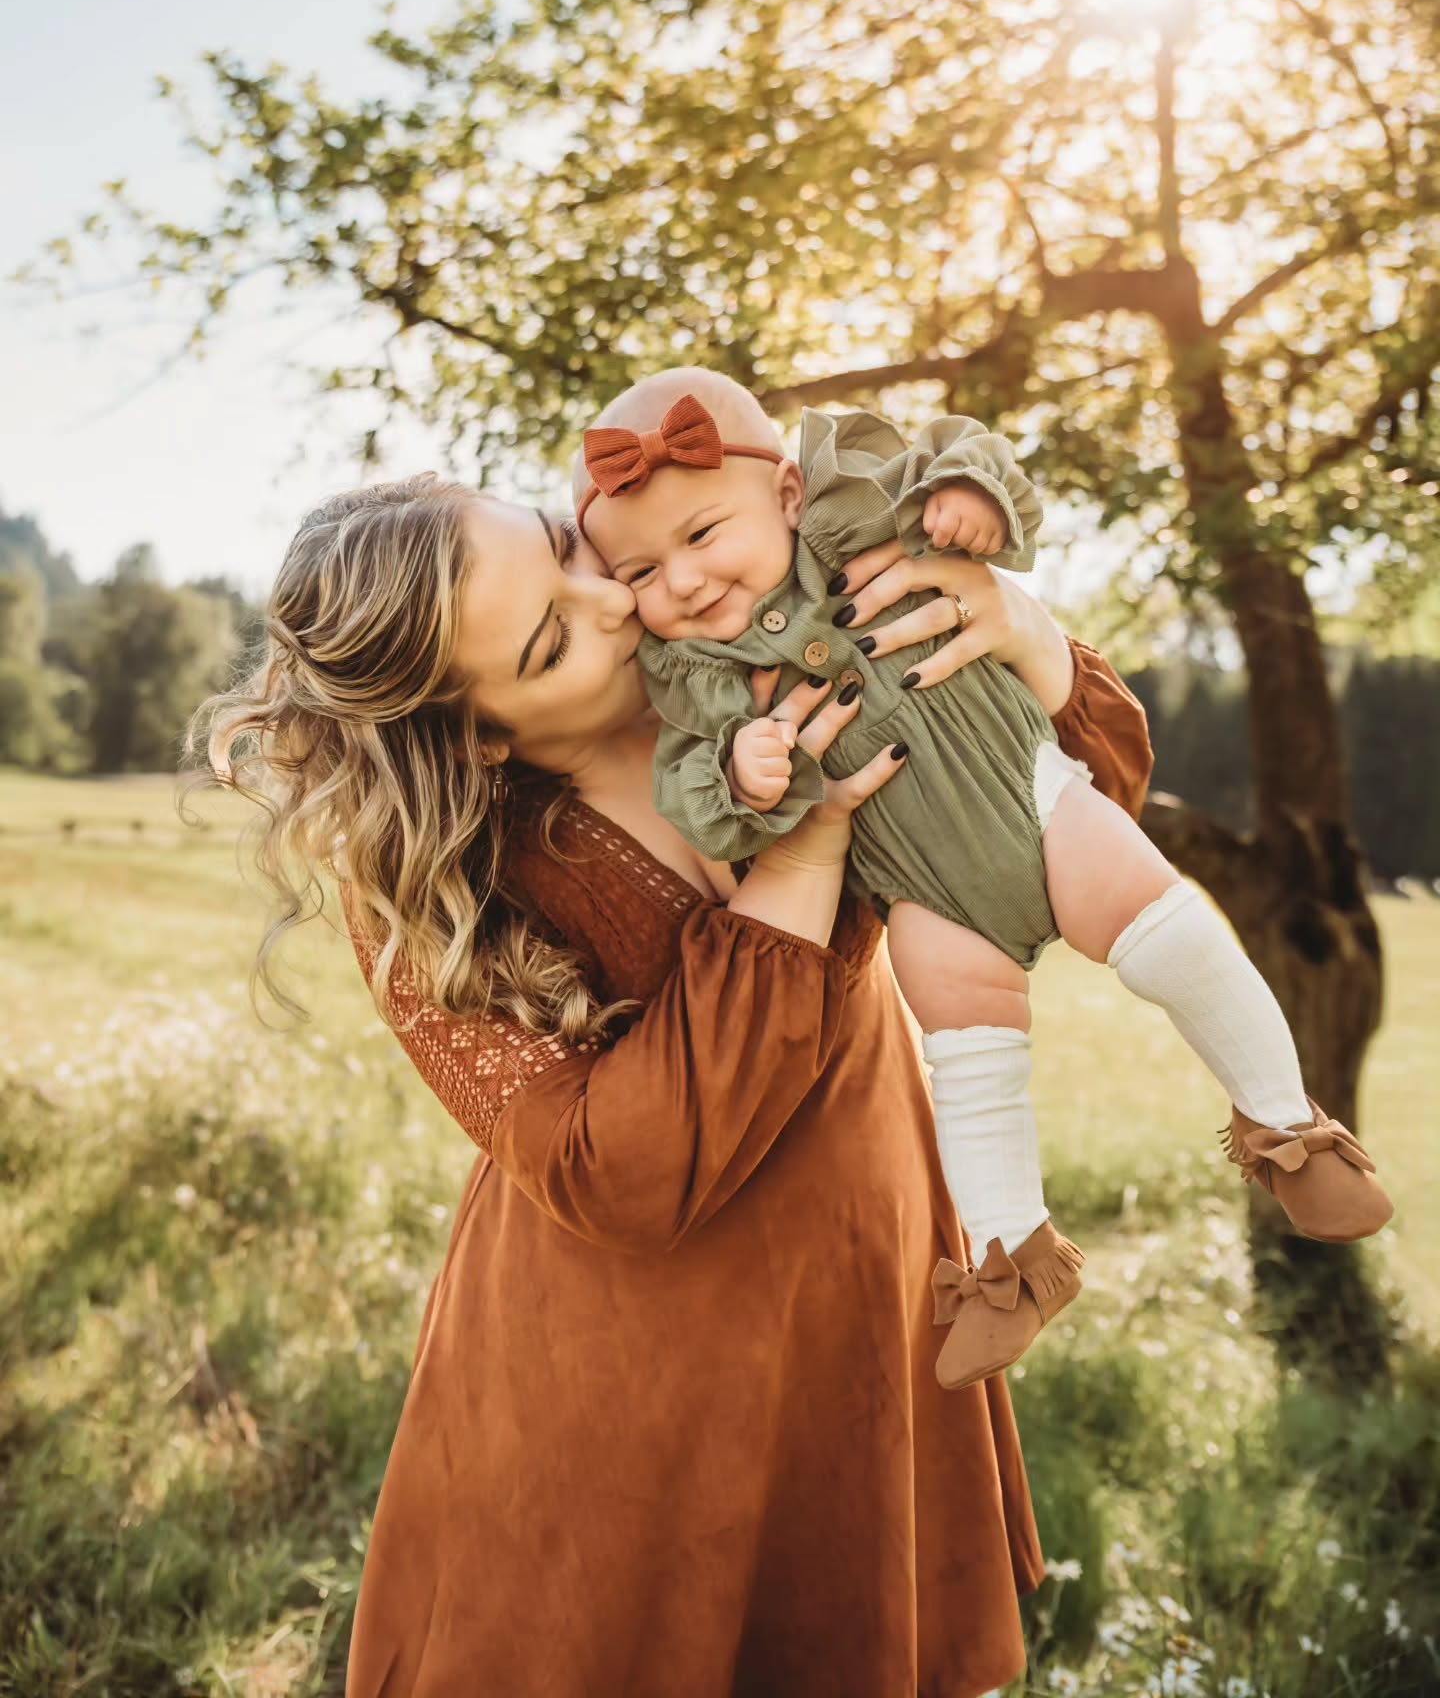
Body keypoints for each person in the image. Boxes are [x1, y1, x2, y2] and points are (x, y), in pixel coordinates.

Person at [195, 466, 1154, 1698]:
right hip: (630, 1384)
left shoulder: (769, 654)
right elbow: (626, 1176)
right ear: (481, 729)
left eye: (563, 545)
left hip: (863, 1282)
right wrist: (804, 854)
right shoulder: (441, 907)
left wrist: (1024, 635)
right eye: (550, 641)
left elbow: (1073, 816)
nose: (613, 600)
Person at [575, 367, 1393, 1390]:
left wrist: (972, 504)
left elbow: (968, 446)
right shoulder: (692, 677)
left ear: (785, 495)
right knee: (969, 1058)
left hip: (1032, 800)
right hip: (924, 892)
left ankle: (1289, 1129)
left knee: (1170, 934)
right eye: (643, 572)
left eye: (701, 537)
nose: (683, 584)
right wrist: (745, 772)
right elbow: (691, 786)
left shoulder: (854, 503)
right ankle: (1015, 1266)